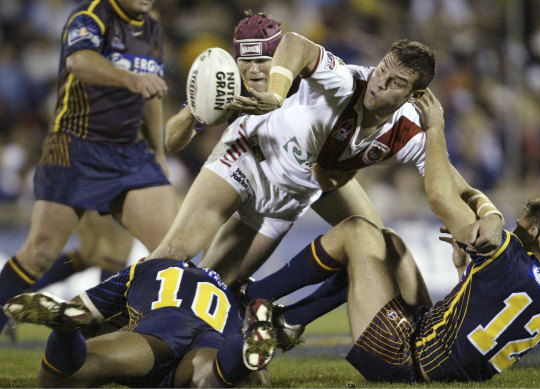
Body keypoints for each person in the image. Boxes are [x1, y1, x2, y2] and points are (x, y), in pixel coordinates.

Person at [247, 89, 540, 383]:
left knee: (358, 232)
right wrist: (464, 271)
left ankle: (253, 298)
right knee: (389, 244)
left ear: (534, 231)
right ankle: (291, 320)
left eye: (520, 226)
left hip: (406, 360)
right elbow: (483, 327)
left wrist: (434, 130)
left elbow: (439, 196)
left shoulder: (506, 253)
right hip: (435, 357)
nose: (513, 230)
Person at [151, 30, 503, 294]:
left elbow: (456, 188)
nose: (380, 83)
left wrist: (491, 215)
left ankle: (417, 327)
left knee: (214, 286)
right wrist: (275, 94)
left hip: (289, 196)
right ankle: (102, 310)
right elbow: (294, 44)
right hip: (251, 156)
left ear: (414, 96)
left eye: (396, 83)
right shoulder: (344, 80)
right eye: (382, 70)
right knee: (176, 250)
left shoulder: (408, 132)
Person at [0, 0, 178, 333]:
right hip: (75, 149)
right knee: (40, 253)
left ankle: (156, 337)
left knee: (173, 250)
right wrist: (129, 78)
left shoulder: (152, 28)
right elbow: (79, 61)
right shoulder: (91, 15)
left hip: (130, 154)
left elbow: (152, 94)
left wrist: (159, 150)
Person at [3, 259, 276, 387]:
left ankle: (63, 332)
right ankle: (245, 340)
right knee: (210, 377)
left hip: (163, 325)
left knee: (61, 379)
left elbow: (80, 309)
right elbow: (261, 380)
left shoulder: (146, 268)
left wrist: (86, 325)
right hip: (215, 340)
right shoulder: (228, 295)